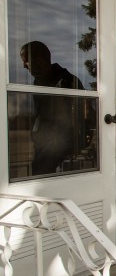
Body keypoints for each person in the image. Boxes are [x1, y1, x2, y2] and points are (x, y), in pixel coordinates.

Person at [20, 41, 86, 175]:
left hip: (58, 151)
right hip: (44, 147)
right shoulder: (38, 82)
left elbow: (82, 118)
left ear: (38, 59)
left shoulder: (66, 82)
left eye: (26, 61)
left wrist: (73, 146)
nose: (23, 66)